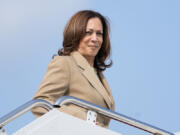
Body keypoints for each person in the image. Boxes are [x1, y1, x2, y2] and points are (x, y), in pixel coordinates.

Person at [31, 10, 115, 128]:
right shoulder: (65, 63)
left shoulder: (98, 74)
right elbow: (41, 103)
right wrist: (83, 121)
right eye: (88, 32)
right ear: (76, 34)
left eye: (99, 33)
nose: (95, 38)